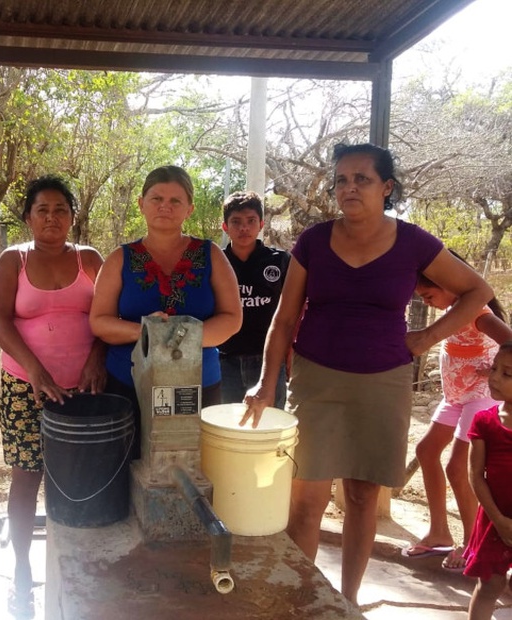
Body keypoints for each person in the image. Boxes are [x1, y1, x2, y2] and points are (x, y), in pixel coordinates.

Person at [241, 142, 493, 605]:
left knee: (360, 497)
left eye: (362, 179)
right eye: (342, 179)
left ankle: (347, 602)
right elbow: (284, 318)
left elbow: (477, 291)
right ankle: (302, 602)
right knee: (306, 502)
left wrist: (424, 338)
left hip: (384, 383)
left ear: (387, 187)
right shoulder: (314, 241)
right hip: (316, 381)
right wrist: (265, 380)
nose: (349, 187)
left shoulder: (414, 242)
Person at [0, 175, 105, 617]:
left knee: (80, 481)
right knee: (27, 475)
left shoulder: (91, 260)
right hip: (25, 388)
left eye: (60, 210)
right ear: (28, 218)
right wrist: (35, 371)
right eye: (42, 210)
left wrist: (97, 356)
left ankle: (80, 565)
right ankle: (21, 569)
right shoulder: (10, 262)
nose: (52, 218)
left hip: (86, 388)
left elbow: (109, 314)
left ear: (72, 216)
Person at [90, 165, 242, 458]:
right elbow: (99, 321)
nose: (165, 207)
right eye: (156, 198)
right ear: (141, 205)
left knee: (192, 467)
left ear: (189, 209)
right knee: (128, 466)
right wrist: (148, 333)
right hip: (128, 382)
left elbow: (232, 318)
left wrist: (182, 339)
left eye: (175, 201)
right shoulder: (119, 259)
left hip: (197, 384)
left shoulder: (211, 255)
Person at [404, 257, 512, 570]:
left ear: (450, 285)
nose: (428, 303)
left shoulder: (477, 313)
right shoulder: (453, 313)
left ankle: (472, 544)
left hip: (479, 397)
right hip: (456, 397)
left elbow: (508, 341)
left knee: (458, 468)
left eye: (428, 296)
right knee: (426, 451)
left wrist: (494, 369)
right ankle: (439, 532)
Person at [218, 191, 290, 408]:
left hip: (268, 362)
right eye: (236, 222)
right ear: (225, 227)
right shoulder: (217, 262)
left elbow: (295, 310)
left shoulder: (280, 261)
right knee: (227, 427)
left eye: (250, 221)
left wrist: (290, 352)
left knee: (268, 426)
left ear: (261, 224)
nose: (243, 228)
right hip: (224, 360)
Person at [463, 342, 512, 620]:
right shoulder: (484, 422)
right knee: (490, 583)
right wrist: (501, 521)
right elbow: (475, 476)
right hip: (495, 519)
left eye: (507, 374)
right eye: (495, 368)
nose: (494, 377)